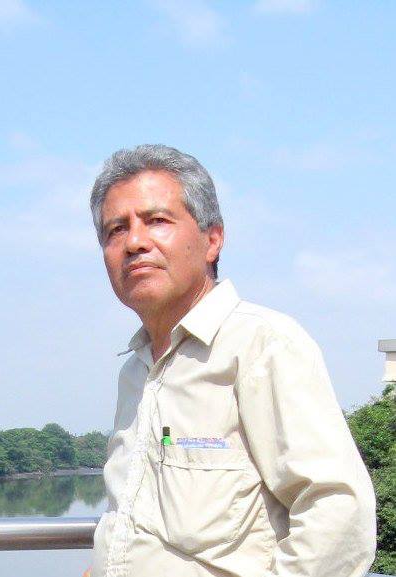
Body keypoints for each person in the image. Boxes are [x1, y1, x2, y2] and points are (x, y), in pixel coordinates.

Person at [85, 144, 376, 577]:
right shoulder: (136, 370)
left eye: (157, 221)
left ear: (212, 240)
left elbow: (338, 516)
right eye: (116, 229)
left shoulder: (262, 345)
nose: (134, 242)